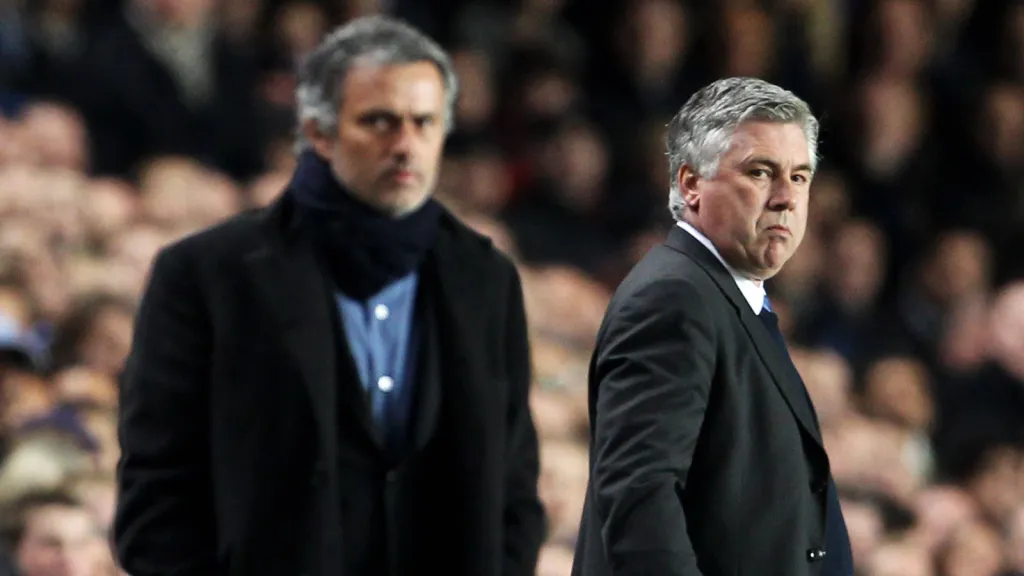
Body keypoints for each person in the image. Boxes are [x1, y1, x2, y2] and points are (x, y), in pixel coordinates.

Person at [113, 16, 545, 576]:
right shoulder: (205, 275)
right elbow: (158, 494)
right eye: (379, 122)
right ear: (318, 131)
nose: (406, 145)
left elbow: (513, 485)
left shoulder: (485, 277)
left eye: (424, 123)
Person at [571, 77, 854, 576]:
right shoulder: (674, 298)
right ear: (690, 185)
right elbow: (642, 501)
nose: (787, 198)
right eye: (761, 172)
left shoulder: (725, 298)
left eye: (801, 176)